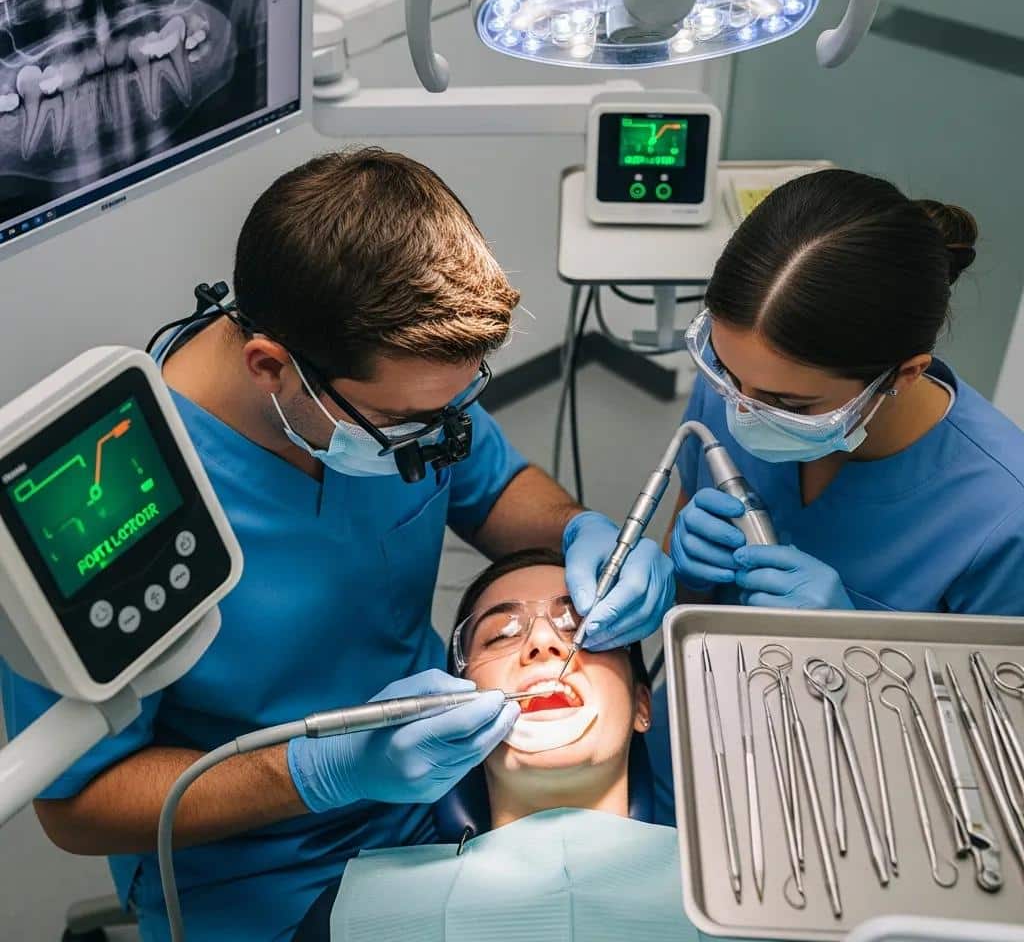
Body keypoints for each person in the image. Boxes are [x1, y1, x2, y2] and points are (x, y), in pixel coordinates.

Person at [0, 149, 674, 942]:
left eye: (459, 404)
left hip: (441, 785)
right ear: (272, 368)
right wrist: (320, 772)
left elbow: (488, 488)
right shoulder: (98, 498)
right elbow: (79, 808)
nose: (444, 435)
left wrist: (577, 531)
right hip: (256, 869)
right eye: (413, 423)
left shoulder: (400, 394)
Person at [647, 168, 1024, 821]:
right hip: (686, 752)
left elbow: (993, 772)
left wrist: (862, 657)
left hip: (844, 812)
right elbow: (684, 612)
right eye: (728, 375)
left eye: (791, 404)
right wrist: (680, 573)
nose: (742, 413)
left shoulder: (1000, 514)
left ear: (901, 374)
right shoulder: (737, 385)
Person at [293, 549, 697, 942]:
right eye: (501, 635)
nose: (542, 641)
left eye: (579, 628)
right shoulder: (355, 914)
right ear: (455, 714)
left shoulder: (739, 897)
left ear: (643, 705)